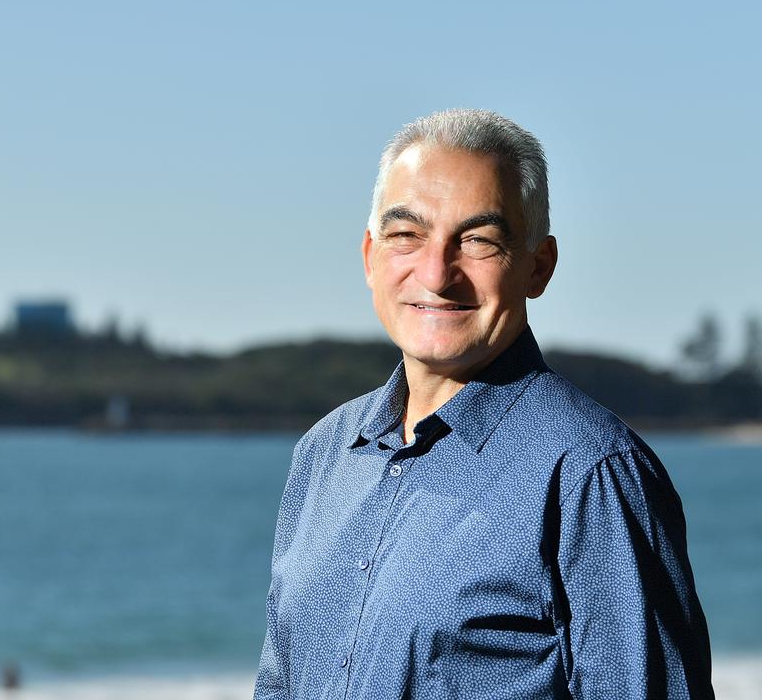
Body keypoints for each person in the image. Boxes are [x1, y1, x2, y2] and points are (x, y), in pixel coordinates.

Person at [253, 109, 713, 699]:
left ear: (538, 267)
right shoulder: (324, 454)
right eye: (407, 235)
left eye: (478, 241)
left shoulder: (591, 474)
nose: (437, 272)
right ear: (371, 256)